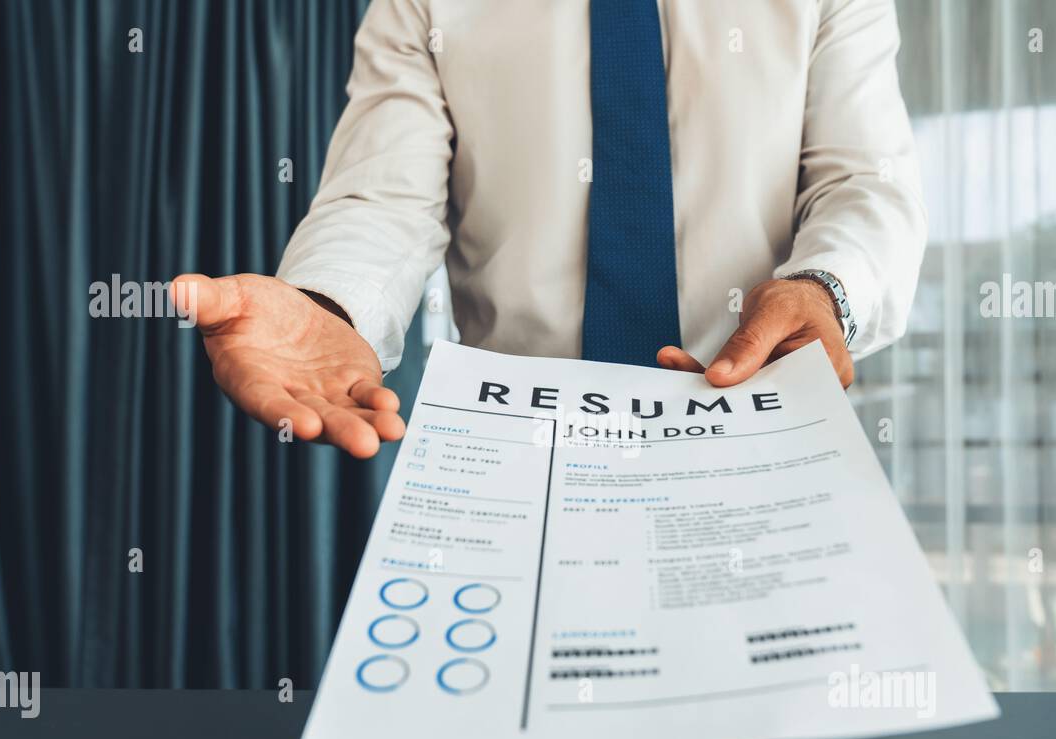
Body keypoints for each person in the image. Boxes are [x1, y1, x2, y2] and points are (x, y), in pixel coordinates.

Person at [174, 0, 926, 459]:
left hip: (764, 436)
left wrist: (825, 290)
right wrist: (329, 305)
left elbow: (864, 181)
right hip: (520, 465)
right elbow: (383, 197)